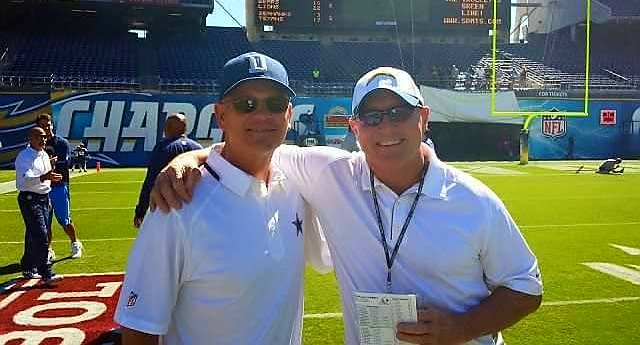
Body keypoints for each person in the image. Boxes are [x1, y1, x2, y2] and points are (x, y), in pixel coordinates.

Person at [151, 66, 543, 345]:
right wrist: (189, 158)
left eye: (398, 113)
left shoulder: (473, 200)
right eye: (372, 117)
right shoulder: (330, 172)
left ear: (423, 118)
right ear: (354, 128)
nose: (386, 128)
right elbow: (252, 144)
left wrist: (461, 328)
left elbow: (526, 288)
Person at [114, 52, 330, 344]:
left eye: (275, 104)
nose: (262, 115)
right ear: (221, 115)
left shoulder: (297, 184)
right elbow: (139, 329)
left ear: (289, 114)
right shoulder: (177, 204)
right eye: (246, 104)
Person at [133, 113, 203, 227]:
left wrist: (140, 212)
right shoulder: (198, 148)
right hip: (194, 210)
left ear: (167, 128)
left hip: (168, 208)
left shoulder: (163, 148)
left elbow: (151, 180)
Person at [15, 127, 63, 284]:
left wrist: (51, 171)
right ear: (31, 138)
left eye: (44, 137)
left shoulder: (43, 154)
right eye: (39, 137)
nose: (43, 140)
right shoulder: (24, 156)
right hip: (30, 199)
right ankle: (47, 272)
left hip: (44, 197)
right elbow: (25, 180)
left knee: (32, 234)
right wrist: (45, 176)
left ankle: (28, 266)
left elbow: (45, 176)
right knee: (42, 235)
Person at [36, 113, 83, 259]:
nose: (46, 128)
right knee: (46, 221)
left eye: (48, 125)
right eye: (43, 126)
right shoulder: (36, 145)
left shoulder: (61, 143)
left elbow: (64, 164)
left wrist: (50, 165)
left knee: (64, 219)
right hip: (43, 187)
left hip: (59, 186)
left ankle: (75, 243)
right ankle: (49, 249)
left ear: (52, 125)